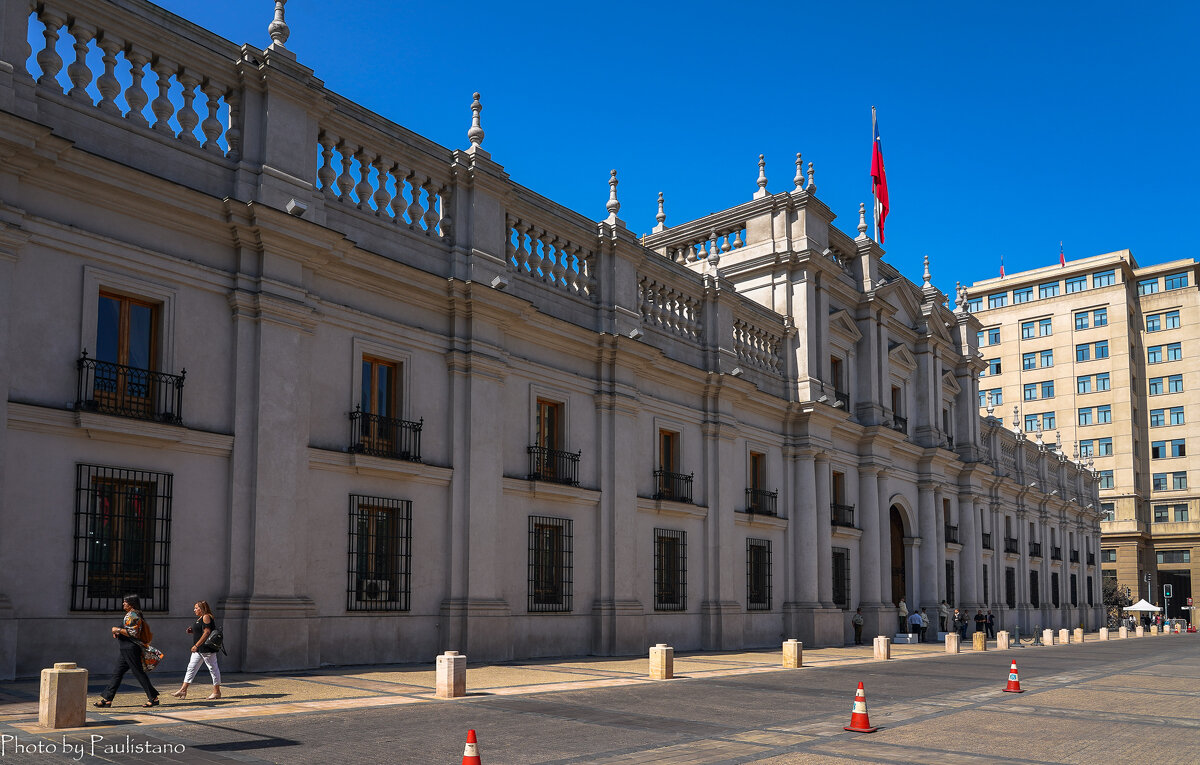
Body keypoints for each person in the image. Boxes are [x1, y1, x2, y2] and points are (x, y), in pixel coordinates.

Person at [94, 595, 159, 708]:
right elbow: (129, 631)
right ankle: (108, 699)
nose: (123, 604)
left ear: (131, 604)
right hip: (126, 649)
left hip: (130, 649)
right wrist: (119, 633)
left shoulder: (133, 615)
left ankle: (153, 698)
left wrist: (117, 629)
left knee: (138, 673)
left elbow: (133, 633)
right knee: (117, 673)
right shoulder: (131, 615)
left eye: (125, 602)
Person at [170, 601, 222, 700]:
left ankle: (217, 692)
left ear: (202, 609)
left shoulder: (206, 616)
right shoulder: (200, 618)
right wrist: (193, 631)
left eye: (196, 608)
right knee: (191, 668)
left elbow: (207, 632)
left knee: (213, 669)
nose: (194, 610)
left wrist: (196, 645)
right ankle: (183, 690)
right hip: (199, 650)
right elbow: (201, 630)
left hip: (206, 648)